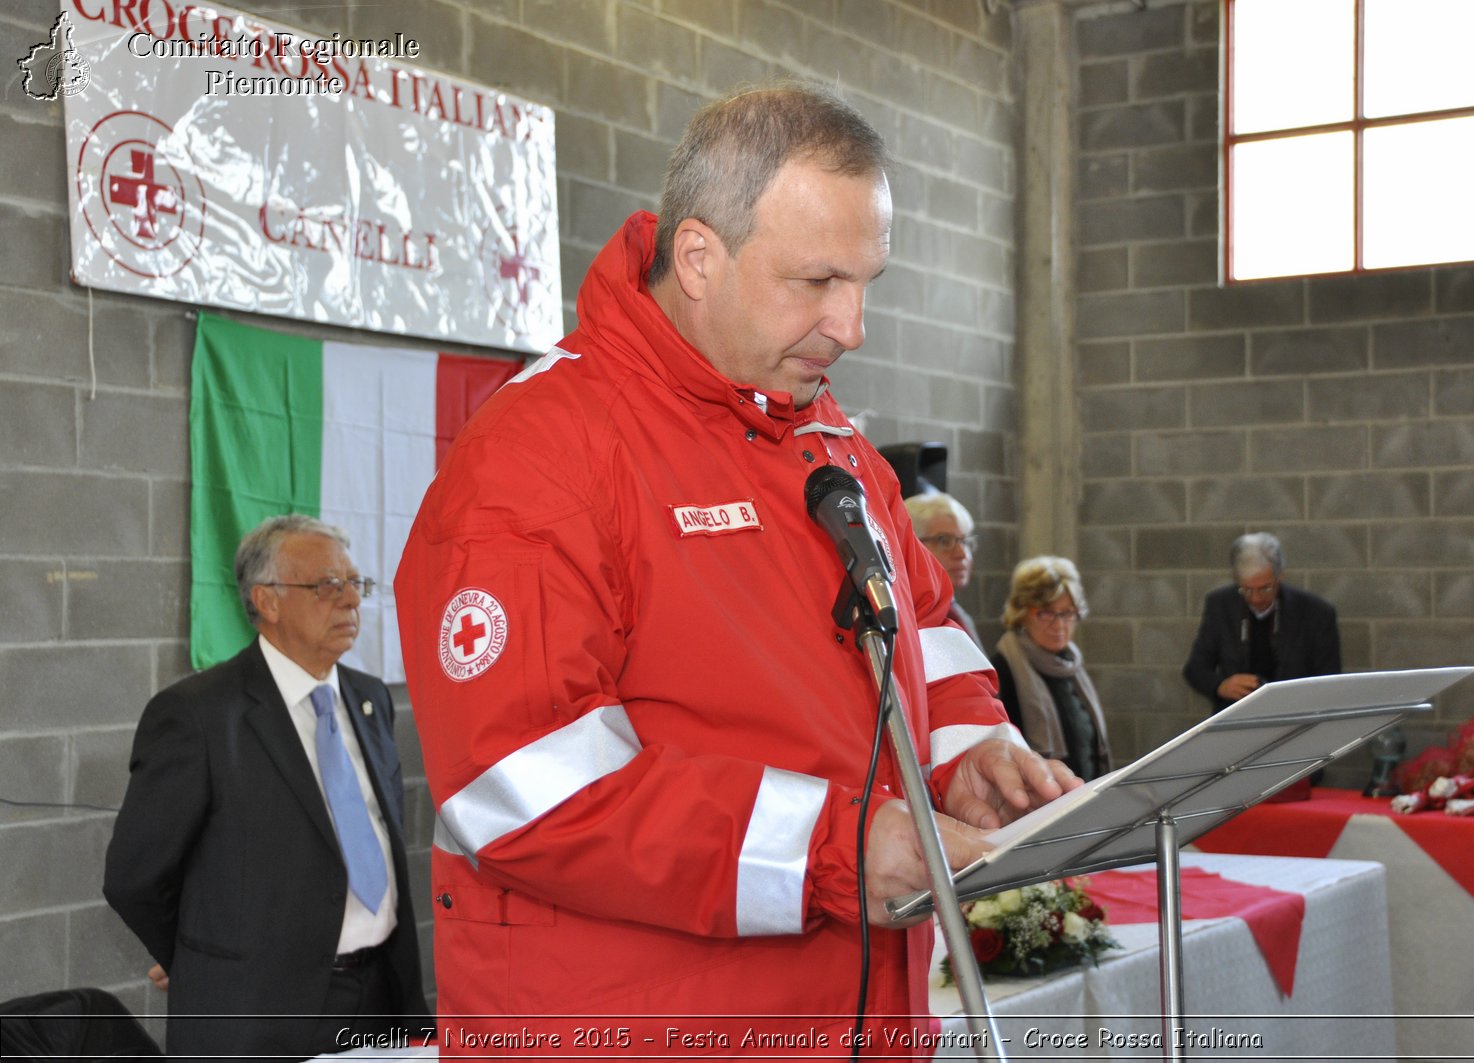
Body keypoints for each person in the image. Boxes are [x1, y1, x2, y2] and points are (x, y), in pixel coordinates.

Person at [393, 82, 1077, 1057]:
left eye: (865, 284)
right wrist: (833, 851)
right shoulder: (540, 451)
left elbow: (921, 626)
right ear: (699, 257)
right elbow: (523, 784)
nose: (852, 328)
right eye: (816, 283)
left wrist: (968, 751)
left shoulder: (823, 432)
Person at [104, 515, 428, 1061]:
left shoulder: (371, 699)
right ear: (268, 602)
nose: (352, 600)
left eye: (358, 584)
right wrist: (205, 956)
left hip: (380, 998)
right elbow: (135, 878)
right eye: (329, 585)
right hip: (257, 1015)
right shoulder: (199, 716)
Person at [1182, 532, 1342, 714]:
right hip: (1236, 719)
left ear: (1280, 575)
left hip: (1297, 719)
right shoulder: (1220, 605)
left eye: (1265, 588)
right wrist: (1221, 685)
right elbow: (1195, 669)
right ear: (1236, 580)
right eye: (1247, 589)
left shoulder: (1317, 613)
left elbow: (1330, 682)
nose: (1256, 598)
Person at [990, 557, 1112, 781]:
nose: (1058, 624)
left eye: (1067, 613)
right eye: (1046, 613)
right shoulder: (1003, 669)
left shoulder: (1070, 664)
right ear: (1022, 613)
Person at [903, 490, 982, 645]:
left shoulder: (960, 615)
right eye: (944, 541)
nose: (962, 554)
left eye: (965, 542)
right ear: (910, 546)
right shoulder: (905, 617)